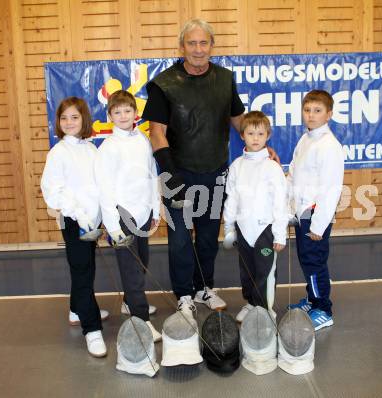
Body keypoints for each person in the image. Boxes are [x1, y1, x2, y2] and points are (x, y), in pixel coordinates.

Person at [142, 18, 246, 315]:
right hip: (177, 174)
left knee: (208, 238)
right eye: (192, 43)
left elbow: (238, 119)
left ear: (212, 46)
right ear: (182, 47)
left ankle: (204, 288)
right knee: (178, 241)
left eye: (203, 43)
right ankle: (184, 294)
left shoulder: (225, 79)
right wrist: (169, 172)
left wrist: (262, 146)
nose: (198, 49)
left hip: (213, 173)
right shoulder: (164, 83)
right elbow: (157, 131)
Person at [41, 97, 108, 357]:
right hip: (74, 222)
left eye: (75, 117)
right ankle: (91, 329)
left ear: (84, 120)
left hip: (91, 221)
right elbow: (53, 192)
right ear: (58, 122)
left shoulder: (90, 150)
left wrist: (99, 216)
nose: (69, 122)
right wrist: (79, 215)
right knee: (82, 271)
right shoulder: (58, 153)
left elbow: (98, 186)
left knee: (86, 267)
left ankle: (77, 309)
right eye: (64, 118)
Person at [94, 90, 161, 342]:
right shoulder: (108, 148)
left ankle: (129, 303)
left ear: (135, 113)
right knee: (131, 271)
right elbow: (105, 188)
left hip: (143, 213)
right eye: (117, 112)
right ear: (110, 115)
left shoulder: (142, 139)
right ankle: (141, 320)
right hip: (122, 218)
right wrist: (113, 227)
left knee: (141, 262)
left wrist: (155, 208)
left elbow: (151, 175)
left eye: (127, 111)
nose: (123, 116)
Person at [287, 89, 344, 331]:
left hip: (315, 214)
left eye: (317, 111)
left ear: (329, 114)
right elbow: (293, 175)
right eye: (307, 110)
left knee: (314, 262)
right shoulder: (305, 139)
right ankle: (312, 299)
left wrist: (318, 225)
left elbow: (331, 190)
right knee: (306, 259)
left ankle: (324, 309)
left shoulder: (329, 145)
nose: (311, 115)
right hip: (302, 212)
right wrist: (289, 207)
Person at [223, 111, 288, 323]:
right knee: (247, 271)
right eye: (251, 133)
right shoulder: (236, 166)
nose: (256, 138)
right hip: (243, 229)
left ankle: (266, 310)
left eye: (260, 134)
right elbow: (231, 198)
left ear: (267, 135)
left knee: (265, 272)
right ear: (242, 135)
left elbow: (280, 202)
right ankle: (251, 303)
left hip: (265, 230)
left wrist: (279, 234)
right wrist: (229, 228)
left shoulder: (272, 168)